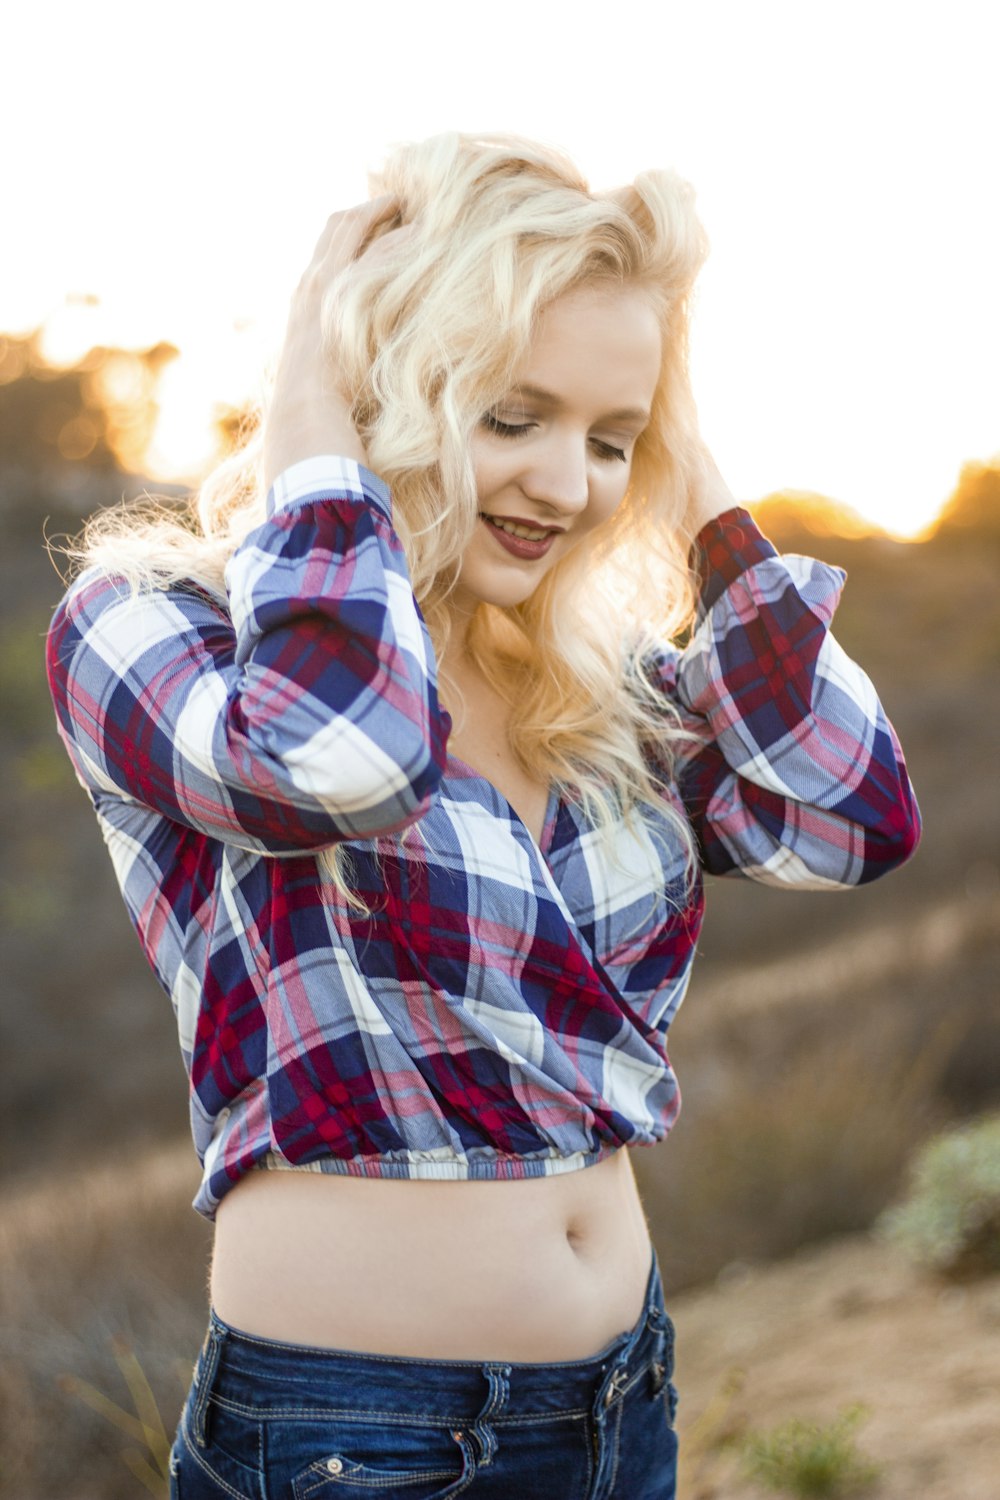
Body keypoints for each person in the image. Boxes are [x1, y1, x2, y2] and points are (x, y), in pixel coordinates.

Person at [46, 133, 920, 1500]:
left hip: (618, 1399)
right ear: (374, 385)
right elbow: (340, 761)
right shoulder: (159, 625)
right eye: (514, 417)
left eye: (609, 438)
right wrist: (313, 432)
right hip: (347, 1436)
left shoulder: (602, 682)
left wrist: (685, 469)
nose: (570, 487)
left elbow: (850, 816)